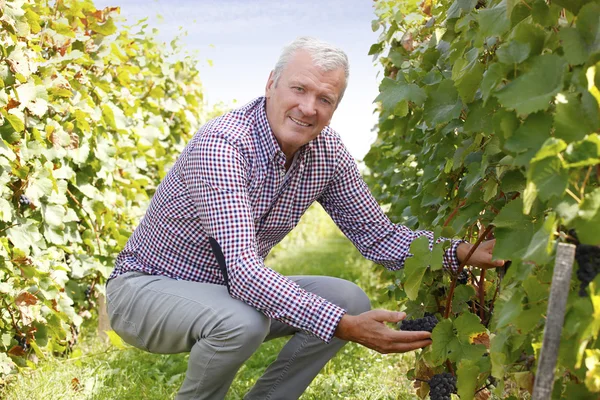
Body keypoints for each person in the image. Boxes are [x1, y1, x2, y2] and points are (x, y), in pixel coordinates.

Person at [105, 36, 504, 400]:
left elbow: (378, 236)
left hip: (223, 291)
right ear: (271, 84)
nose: (309, 108)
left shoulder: (326, 153)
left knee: (348, 298)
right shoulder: (224, 146)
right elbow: (245, 272)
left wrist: (463, 252)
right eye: (299, 89)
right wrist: (344, 327)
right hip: (145, 291)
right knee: (246, 321)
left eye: (325, 99)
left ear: (335, 107)